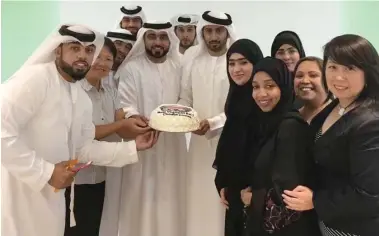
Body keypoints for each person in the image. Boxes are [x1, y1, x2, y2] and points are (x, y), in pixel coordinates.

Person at [1, 24, 157, 236]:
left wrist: (133, 148)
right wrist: (46, 172)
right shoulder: (34, 79)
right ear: (58, 50)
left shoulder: (79, 96)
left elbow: (82, 149)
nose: (83, 56)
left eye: (89, 50)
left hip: (53, 196)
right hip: (19, 193)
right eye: (75, 48)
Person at [283, 34, 379, 236]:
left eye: (349, 68)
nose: (338, 77)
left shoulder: (371, 122)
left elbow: (371, 196)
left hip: (353, 229)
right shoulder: (338, 104)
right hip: (328, 223)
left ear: (367, 72)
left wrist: (314, 200)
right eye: (333, 67)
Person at [64, 37, 151, 236]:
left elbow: (122, 127)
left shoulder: (110, 92)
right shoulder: (73, 92)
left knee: (95, 229)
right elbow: (83, 135)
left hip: (101, 177)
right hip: (74, 180)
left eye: (108, 59)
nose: (102, 63)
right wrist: (121, 124)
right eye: (97, 57)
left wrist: (144, 126)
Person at [115, 21, 187, 236]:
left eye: (163, 37)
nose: (158, 42)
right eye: (152, 36)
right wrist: (135, 118)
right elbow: (125, 104)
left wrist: (174, 116)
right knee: (141, 197)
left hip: (174, 145)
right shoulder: (131, 68)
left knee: (173, 197)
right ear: (143, 39)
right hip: (142, 143)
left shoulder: (180, 66)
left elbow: (185, 97)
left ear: (170, 40)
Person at [242, 57, 320, 236]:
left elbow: (288, 193)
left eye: (270, 86)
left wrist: (253, 198)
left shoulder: (290, 126)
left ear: (284, 87)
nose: (261, 94)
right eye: (255, 87)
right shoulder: (266, 124)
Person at [178, 10, 238, 236]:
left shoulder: (235, 61)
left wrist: (213, 122)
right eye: (209, 31)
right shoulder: (193, 60)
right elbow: (185, 98)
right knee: (198, 197)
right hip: (198, 146)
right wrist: (185, 119)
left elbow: (240, 104)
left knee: (223, 200)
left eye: (219, 31)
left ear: (227, 32)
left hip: (230, 140)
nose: (214, 36)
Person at [213, 39, 263, 236]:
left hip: (254, 190)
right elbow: (230, 143)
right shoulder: (235, 98)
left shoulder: (262, 100)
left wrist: (255, 190)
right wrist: (224, 182)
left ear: (256, 63)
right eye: (231, 63)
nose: (236, 69)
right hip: (235, 188)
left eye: (243, 62)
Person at [271, 31, 306, 109]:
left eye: (291, 51)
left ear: (300, 53)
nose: (286, 57)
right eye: (280, 52)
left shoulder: (310, 82)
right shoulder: (269, 84)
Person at [293, 56, 331, 123]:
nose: (305, 81)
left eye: (313, 75)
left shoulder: (339, 116)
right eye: (299, 76)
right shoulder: (292, 117)